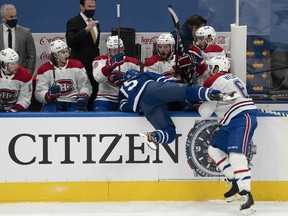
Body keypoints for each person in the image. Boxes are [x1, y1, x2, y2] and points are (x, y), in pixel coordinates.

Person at [198, 56, 258, 215]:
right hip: (232, 120)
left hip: (241, 118)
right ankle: (235, 182)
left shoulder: (214, 80)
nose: (210, 71)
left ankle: (247, 197)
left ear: (217, 68)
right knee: (214, 149)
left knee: (236, 155)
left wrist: (200, 103)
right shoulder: (233, 79)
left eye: (211, 67)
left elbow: (205, 112)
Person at [118, 69, 234, 151]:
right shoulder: (143, 76)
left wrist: (137, 107)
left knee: (169, 131)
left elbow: (123, 106)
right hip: (152, 88)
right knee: (187, 91)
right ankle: (214, 94)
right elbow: (164, 81)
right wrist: (175, 88)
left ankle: (153, 136)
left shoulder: (123, 88)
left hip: (145, 105)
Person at [35, 40, 92, 112]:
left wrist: (83, 96)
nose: (67, 55)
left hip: (74, 101)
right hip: (53, 102)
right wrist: (48, 95)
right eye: (63, 52)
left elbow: (85, 85)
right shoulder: (43, 69)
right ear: (55, 55)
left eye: (67, 51)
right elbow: (39, 92)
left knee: (80, 118)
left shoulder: (77, 65)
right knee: (47, 117)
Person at [66, 0, 100, 111]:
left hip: (94, 66)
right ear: (81, 7)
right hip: (80, 65)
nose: (92, 9)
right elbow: (70, 42)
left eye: (93, 6)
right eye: (89, 6)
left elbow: (95, 44)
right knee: (81, 95)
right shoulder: (73, 22)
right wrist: (86, 29)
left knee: (94, 92)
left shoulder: (95, 22)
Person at [92, 35, 139, 111]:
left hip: (125, 98)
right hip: (104, 98)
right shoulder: (100, 60)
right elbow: (98, 78)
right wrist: (109, 66)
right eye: (115, 50)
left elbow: (139, 83)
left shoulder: (132, 62)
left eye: (120, 49)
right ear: (109, 50)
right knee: (100, 116)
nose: (118, 52)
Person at [0, 4, 36, 74]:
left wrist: (28, 74)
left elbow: (32, 56)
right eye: (11, 17)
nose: (14, 19)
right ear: (4, 18)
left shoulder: (25, 32)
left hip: (21, 74)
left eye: (15, 16)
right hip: (1, 75)